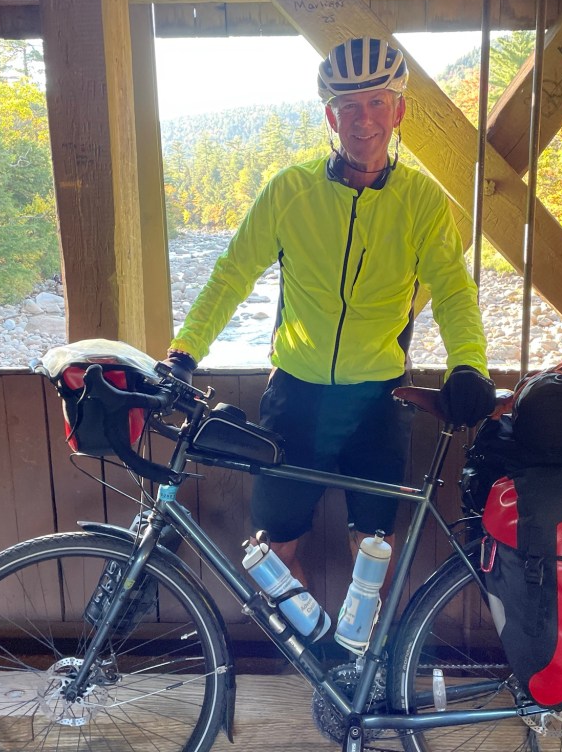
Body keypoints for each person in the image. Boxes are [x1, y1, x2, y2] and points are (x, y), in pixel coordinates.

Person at [165, 37, 493, 584]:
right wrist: (184, 352)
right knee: (273, 553)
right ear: (330, 117)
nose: (363, 120)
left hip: (379, 400)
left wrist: (468, 364)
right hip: (298, 397)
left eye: (376, 103)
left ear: (398, 112)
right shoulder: (290, 191)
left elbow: (454, 291)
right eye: (348, 106)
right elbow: (231, 275)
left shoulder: (422, 200)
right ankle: (299, 643)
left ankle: (368, 645)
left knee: (373, 559)